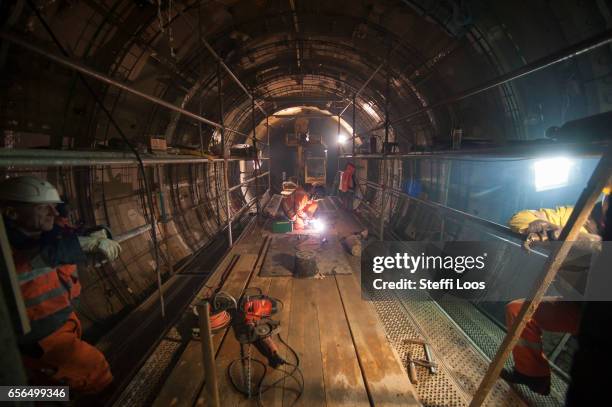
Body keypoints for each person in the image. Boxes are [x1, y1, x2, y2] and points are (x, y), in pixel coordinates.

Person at [0, 176, 121, 393]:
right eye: (43, 208)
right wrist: (72, 248)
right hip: (37, 341)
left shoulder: (47, 232)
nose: (54, 213)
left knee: (47, 386)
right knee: (95, 373)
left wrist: (99, 235)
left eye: (54, 207)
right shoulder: (8, 250)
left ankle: (41, 396)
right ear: (12, 213)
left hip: (63, 324)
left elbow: (71, 234)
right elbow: (25, 265)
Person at [502, 201, 606, 395]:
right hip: (578, 308)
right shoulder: (579, 215)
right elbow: (520, 216)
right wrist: (537, 226)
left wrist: (574, 238)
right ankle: (533, 376)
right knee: (518, 312)